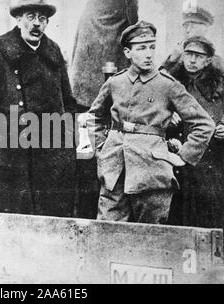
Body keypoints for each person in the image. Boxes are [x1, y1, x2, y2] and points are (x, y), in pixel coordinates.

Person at [88, 21, 215, 224]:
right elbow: (93, 116)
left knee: (150, 239)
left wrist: (183, 156)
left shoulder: (168, 85)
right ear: (128, 53)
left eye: (152, 47)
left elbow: (205, 124)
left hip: (152, 172)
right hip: (114, 171)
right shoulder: (115, 82)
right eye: (141, 48)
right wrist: (101, 149)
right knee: (107, 233)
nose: (149, 54)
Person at [0, 0, 77, 217]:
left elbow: (68, 104)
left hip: (50, 165)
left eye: (42, 18)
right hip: (9, 166)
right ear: (18, 19)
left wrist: (65, 149)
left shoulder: (53, 54)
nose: (37, 23)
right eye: (31, 16)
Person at [70, 0, 138, 219]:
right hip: (96, 101)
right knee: (98, 164)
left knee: (88, 160)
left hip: (85, 97)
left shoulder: (93, 5)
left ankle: (87, 217)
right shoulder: (121, 0)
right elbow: (133, 19)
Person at [166, 36, 224, 265]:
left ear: (208, 60)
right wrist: (167, 116)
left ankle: (216, 258)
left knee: (213, 205)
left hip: (213, 157)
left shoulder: (221, 83)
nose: (192, 60)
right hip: (179, 152)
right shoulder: (170, 79)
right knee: (180, 208)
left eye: (198, 56)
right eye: (188, 54)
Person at [161, 6, 224, 80]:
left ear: (205, 30)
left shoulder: (217, 62)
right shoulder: (176, 56)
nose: (187, 30)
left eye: (193, 27)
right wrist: (171, 61)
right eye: (185, 26)